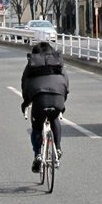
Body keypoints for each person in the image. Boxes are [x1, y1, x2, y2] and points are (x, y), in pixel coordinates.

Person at [20, 42, 69, 173]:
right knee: (54, 119)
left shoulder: (32, 64)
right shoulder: (58, 62)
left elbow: (25, 84)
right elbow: (65, 83)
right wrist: (62, 102)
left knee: (36, 126)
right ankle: (57, 148)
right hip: (58, 98)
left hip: (39, 100)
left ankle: (38, 155)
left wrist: (25, 103)